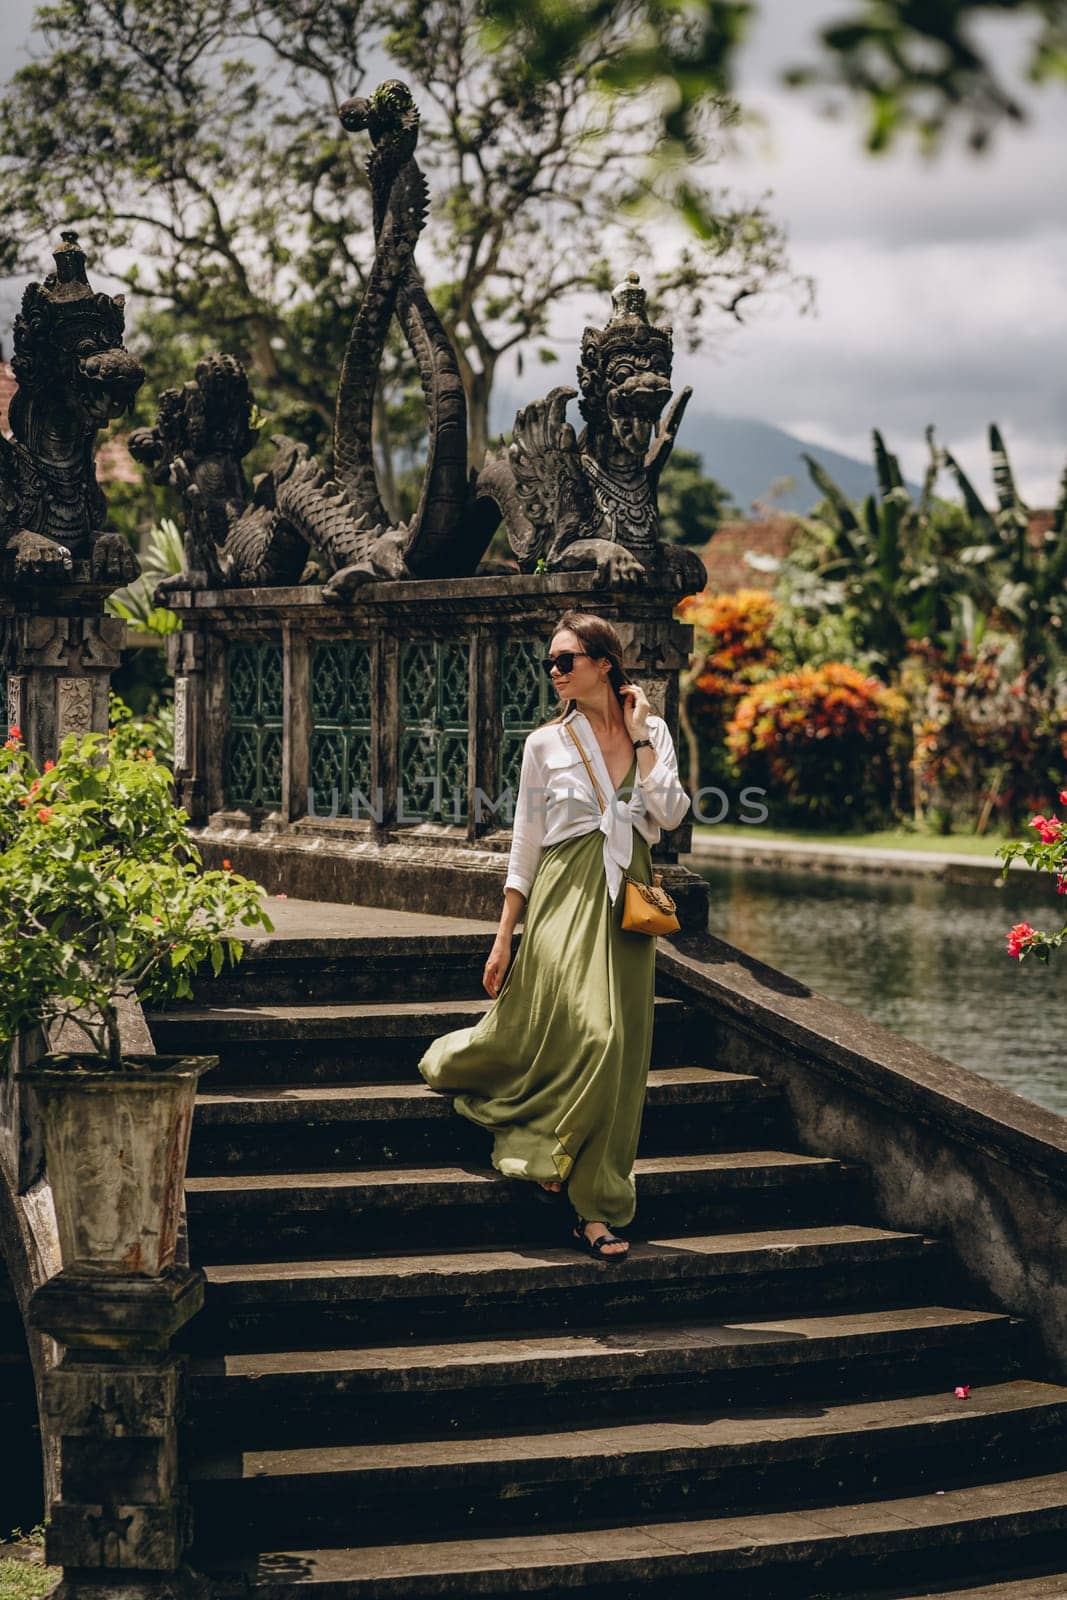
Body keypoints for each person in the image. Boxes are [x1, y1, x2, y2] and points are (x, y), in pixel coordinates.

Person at [416, 610, 692, 1260]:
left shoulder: (648, 729)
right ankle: (543, 1145)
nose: (554, 672)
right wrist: (503, 935)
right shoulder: (543, 744)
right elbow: (525, 842)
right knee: (593, 1033)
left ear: (603, 662)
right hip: (562, 900)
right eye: (549, 662)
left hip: (626, 901)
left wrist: (641, 736)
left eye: (565, 660)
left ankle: (595, 1209)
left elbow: (671, 812)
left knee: (621, 1052)